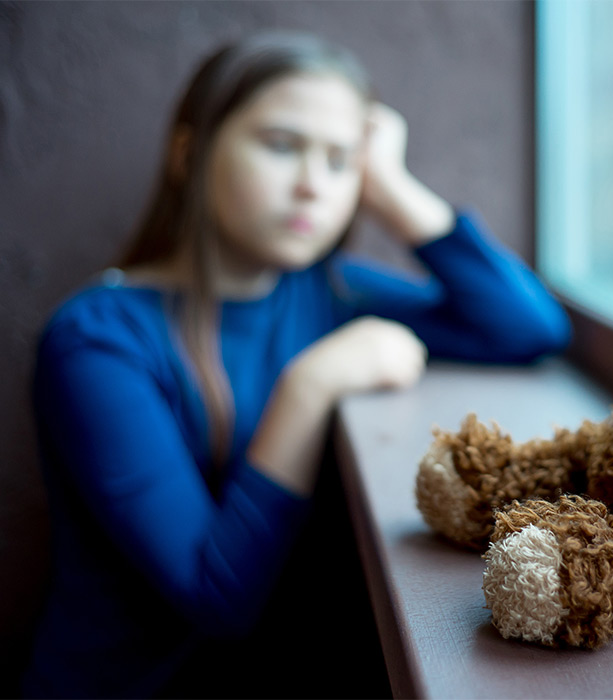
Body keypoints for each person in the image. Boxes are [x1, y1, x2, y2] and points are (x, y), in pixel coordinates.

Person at [23, 32, 569, 698]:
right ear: (188, 156)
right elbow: (215, 597)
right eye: (281, 146)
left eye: (341, 161)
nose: (314, 185)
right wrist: (311, 386)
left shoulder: (329, 293)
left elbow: (528, 327)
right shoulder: (95, 340)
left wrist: (393, 190)